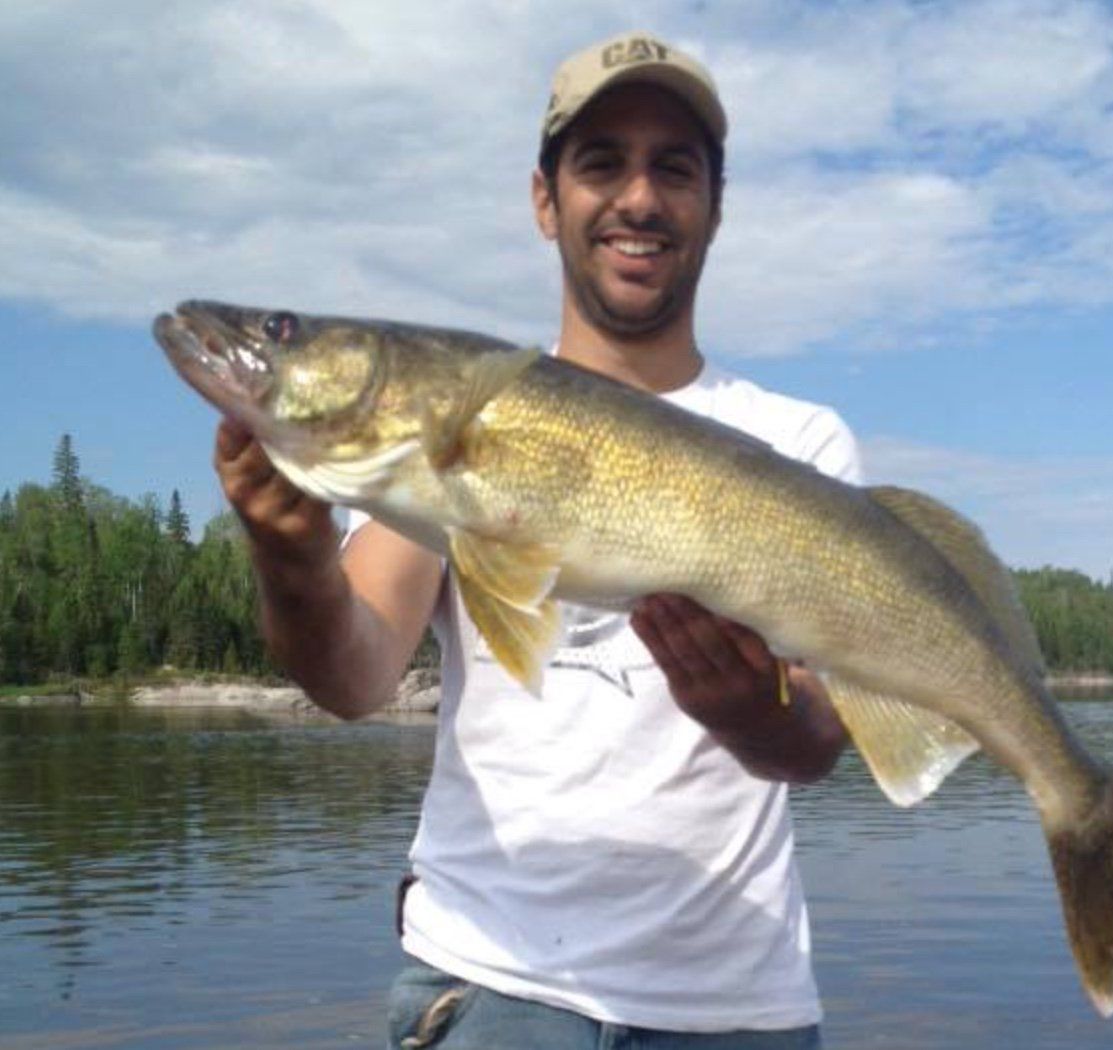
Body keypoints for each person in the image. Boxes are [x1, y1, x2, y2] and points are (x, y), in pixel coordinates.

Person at [214, 30, 862, 1050]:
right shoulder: (447, 416)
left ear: (714, 208)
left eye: (674, 168)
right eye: (601, 162)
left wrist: (760, 719)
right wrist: (290, 558)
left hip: (736, 1013)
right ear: (544, 199)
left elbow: (822, 738)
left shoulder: (801, 442)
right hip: (488, 993)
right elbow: (352, 676)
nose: (639, 198)